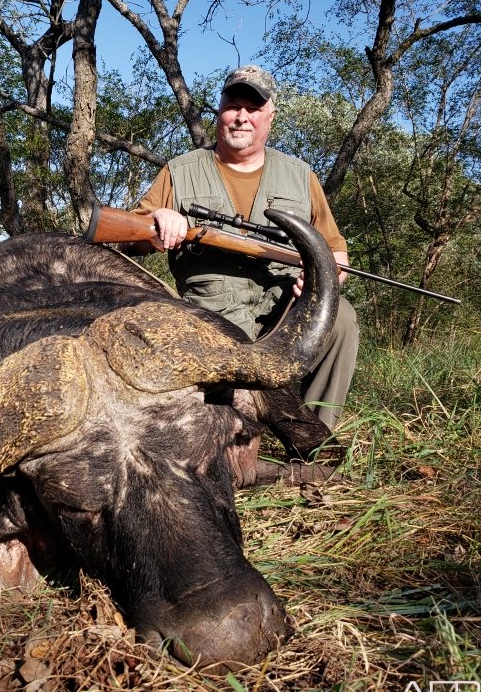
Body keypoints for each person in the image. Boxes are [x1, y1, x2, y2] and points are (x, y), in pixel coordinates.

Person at [124, 65, 359, 433]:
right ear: (219, 111)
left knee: (339, 317)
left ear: (270, 117)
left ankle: (315, 435)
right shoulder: (179, 171)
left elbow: (336, 253)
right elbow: (127, 236)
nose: (242, 118)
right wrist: (159, 222)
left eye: (253, 109)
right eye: (234, 106)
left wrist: (324, 279)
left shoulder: (300, 175)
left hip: (283, 310)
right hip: (207, 318)